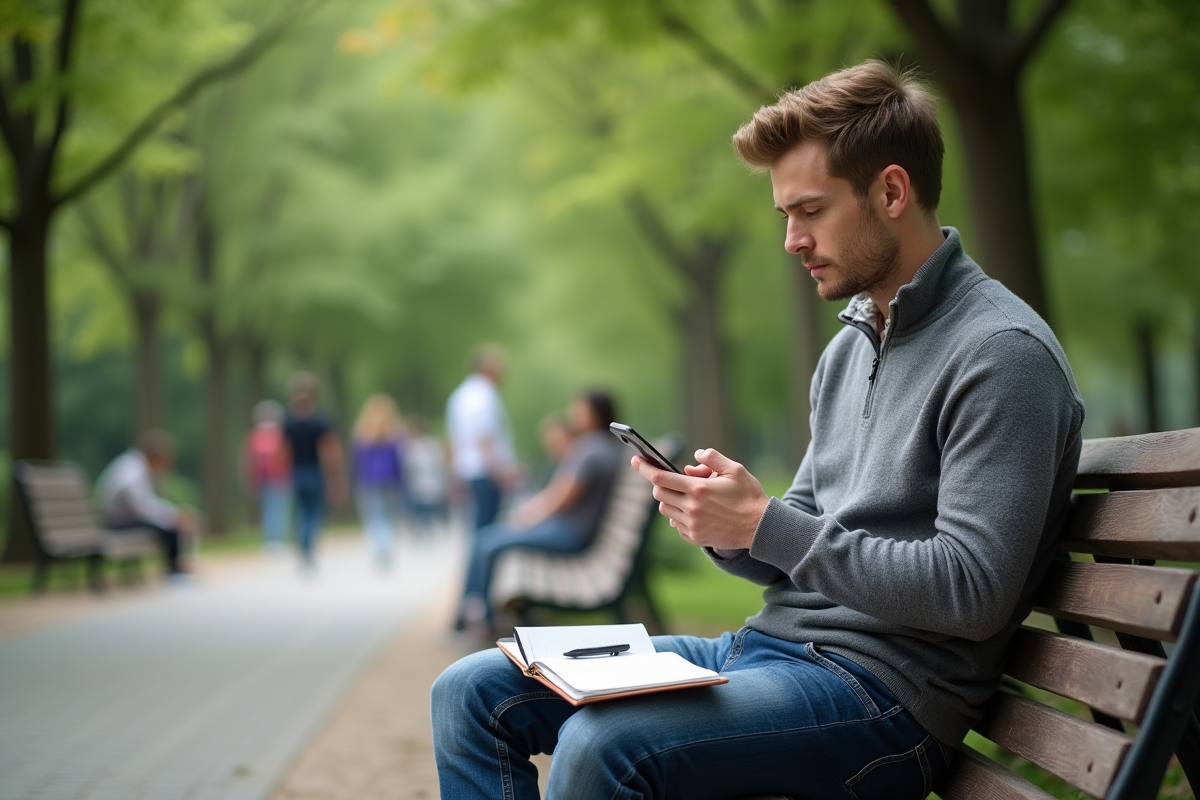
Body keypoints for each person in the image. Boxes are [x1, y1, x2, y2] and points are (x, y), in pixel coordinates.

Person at [431, 61, 1085, 800]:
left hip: (883, 697)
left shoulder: (1002, 355)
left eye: (809, 211)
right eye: (784, 217)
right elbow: (796, 541)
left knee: (601, 745)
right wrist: (726, 522)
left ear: (892, 192)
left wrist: (768, 524)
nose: (791, 240)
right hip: (768, 652)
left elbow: (972, 591)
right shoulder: (850, 348)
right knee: (471, 691)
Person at [452, 390, 624, 639]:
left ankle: (479, 621)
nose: (573, 413)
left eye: (580, 408)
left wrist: (530, 516)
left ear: (596, 413)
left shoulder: (591, 448)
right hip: (571, 529)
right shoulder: (603, 446)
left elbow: (563, 496)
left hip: (569, 533)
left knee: (488, 543)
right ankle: (477, 616)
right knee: (490, 539)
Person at [96, 430, 199, 577]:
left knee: (171, 524)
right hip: (119, 522)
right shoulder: (133, 472)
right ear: (156, 456)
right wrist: (174, 517)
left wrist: (173, 514)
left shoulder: (136, 465)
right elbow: (144, 507)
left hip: (126, 518)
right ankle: (174, 570)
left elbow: (148, 503)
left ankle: (177, 566)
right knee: (170, 529)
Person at [446, 344, 515, 536]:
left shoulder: (460, 395)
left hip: (470, 469)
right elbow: (483, 437)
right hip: (485, 470)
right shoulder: (484, 394)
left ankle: (475, 566)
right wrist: (499, 471)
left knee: (479, 525)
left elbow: (454, 437)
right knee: (486, 527)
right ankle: (478, 567)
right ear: (490, 368)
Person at [282, 372, 346, 569]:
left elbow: (283, 450)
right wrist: (336, 476)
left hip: (296, 471)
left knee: (301, 511)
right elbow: (329, 450)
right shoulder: (321, 420)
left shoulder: (289, 420)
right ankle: (307, 545)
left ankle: (303, 544)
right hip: (315, 471)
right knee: (312, 512)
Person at [352, 393, 405, 569]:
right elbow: (400, 460)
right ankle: (386, 547)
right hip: (391, 480)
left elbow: (357, 460)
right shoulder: (395, 432)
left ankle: (380, 547)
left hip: (369, 480)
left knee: (374, 517)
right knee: (389, 517)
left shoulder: (362, 432)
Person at [244, 400, 290, 551]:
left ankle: (270, 540)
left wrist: (249, 479)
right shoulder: (280, 434)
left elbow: (249, 460)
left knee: (267, 510)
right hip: (279, 478)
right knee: (278, 510)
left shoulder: (255, 435)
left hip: (263, 478)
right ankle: (277, 539)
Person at [403, 416, 450, 537]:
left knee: (425, 505)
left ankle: (426, 527)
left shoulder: (426, 445)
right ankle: (422, 527)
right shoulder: (410, 446)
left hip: (426, 479)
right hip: (418, 480)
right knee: (420, 506)